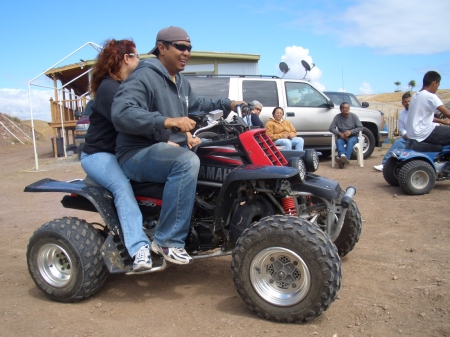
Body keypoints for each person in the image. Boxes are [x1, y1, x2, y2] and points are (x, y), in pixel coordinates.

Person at [111, 26, 243, 265]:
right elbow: (122, 112)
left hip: (167, 149)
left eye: (189, 48)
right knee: (186, 161)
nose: (186, 53)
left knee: (218, 154)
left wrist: (228, 103)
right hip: (136, 154)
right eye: (180, 47)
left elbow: (198, 104)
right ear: (162, 48)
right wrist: (167, 121)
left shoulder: (179, 81)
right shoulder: (144, 76)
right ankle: (167, 240)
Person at [80, 39, 152, 272]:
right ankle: (138, 249)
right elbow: (129, 121)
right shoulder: (108, 88)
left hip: (121, 153)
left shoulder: (126, 85)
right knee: (122, 187)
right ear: (126, 58)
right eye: (137, 56)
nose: (140, 60)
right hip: (99, 155)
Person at [405, 71, 450, 146]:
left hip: (413, 134)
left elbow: (425, 118)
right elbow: (447, 113)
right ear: (434, 83)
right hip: (424, 133)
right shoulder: (430, 96)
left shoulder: (414, 96)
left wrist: (443, 121)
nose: (437, 89)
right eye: (438, 85)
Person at [374, 93, 411, 171]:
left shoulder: (417, 111)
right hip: (407, 137)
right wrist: (404, 134)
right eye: (405, 102)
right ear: (402, 103)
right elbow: (401, 127)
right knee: (397, 143)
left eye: (409, 101)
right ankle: (385, 164)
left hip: (417, 136)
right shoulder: (402, 113)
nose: (407, 103)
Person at [329, 102, 363, 168]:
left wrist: (351, 132)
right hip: (342, 136)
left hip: (352, 136)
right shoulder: (337, 117)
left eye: (348, 108)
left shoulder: (354, 116)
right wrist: (340, 134)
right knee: (339, 142)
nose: (347, 109)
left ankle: (343, 160)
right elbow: (331, 128)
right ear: (341, 110)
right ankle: (342, 156)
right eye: (345, 108)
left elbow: (360, 127)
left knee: (350, 142)